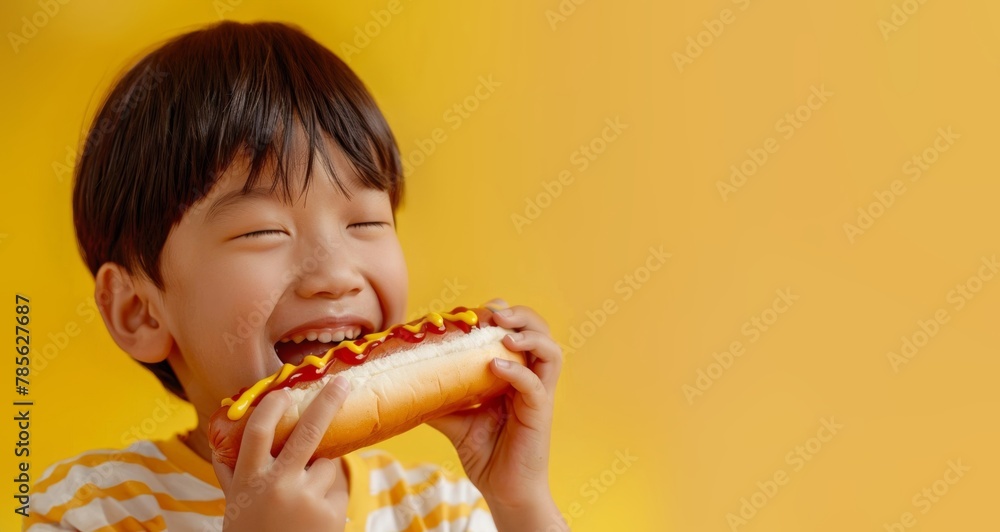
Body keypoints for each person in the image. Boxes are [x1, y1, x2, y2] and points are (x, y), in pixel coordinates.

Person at [25, 20, 565, 531]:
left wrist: (520, 501)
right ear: (139, 310)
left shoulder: (438, 509)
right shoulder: (89, 509)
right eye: (263, 231)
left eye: (366, 221)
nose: (332, 274)